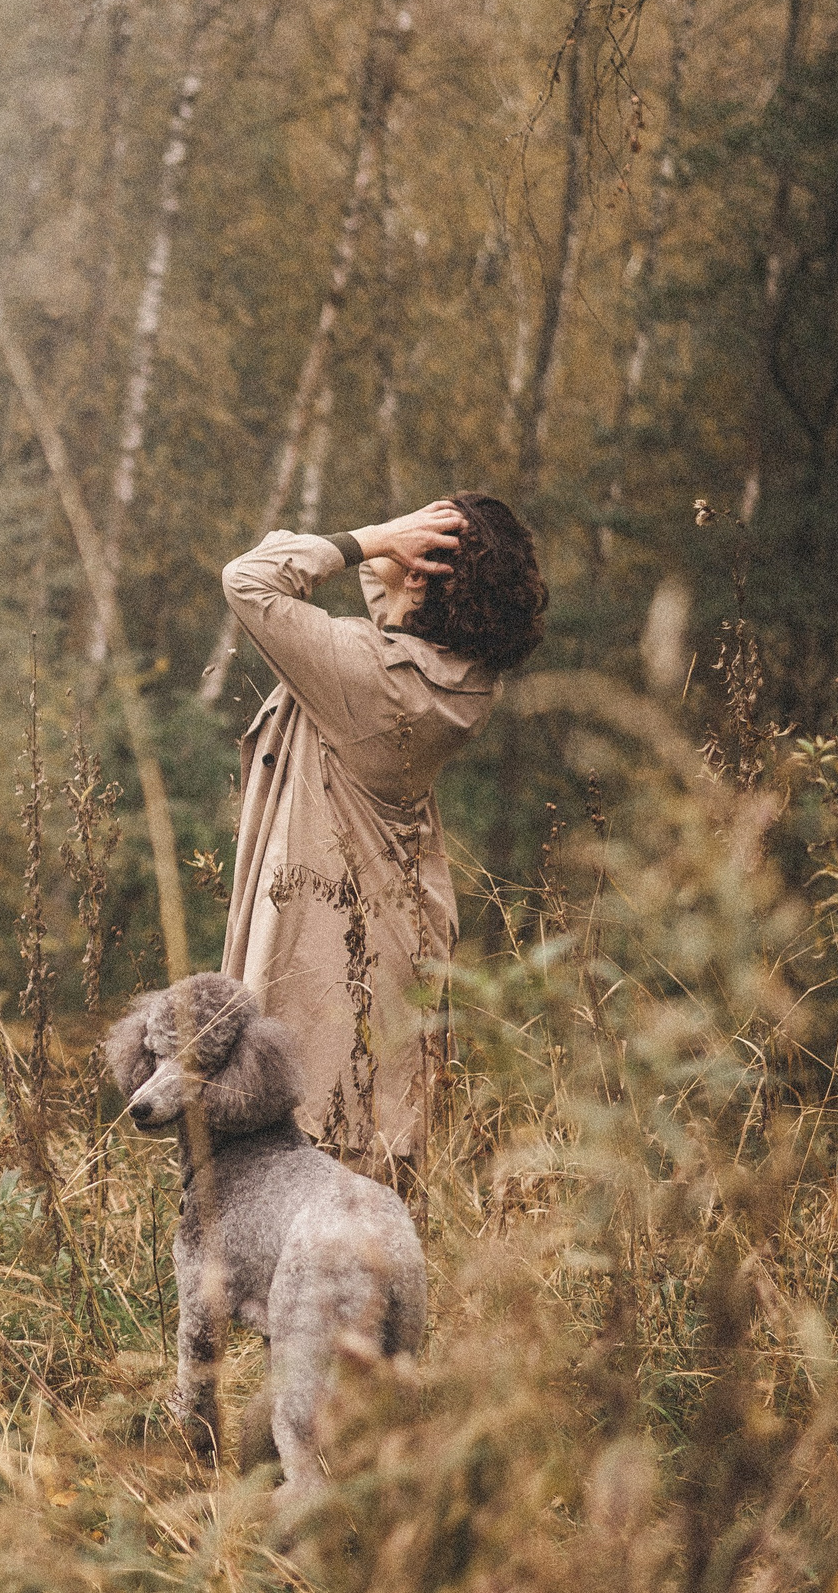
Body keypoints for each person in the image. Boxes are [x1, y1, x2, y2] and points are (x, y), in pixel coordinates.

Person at [217, 494, 545, 1181]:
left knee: (304, 1182)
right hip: (390, 955)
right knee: (375, 1174)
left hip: (326, 964)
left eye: (422, 538)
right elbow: (367, 591)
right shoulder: (453, 678)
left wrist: (370, 536)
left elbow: (250, 576)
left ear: (422, 575)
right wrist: (395, 549)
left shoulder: (371, 676)